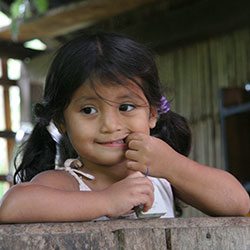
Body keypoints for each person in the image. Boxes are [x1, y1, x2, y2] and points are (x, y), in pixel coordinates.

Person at [0, 32, 249, 223]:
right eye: (89, 110)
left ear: (152, 114)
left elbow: (238, 204)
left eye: (126, 107)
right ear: (62, 122)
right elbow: (12, 206)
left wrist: (174, 166)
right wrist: (107, 201)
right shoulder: (69, 184)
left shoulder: (162, 179)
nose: (110, 125)